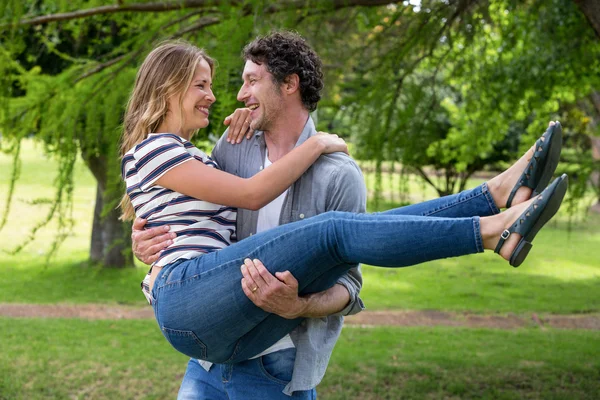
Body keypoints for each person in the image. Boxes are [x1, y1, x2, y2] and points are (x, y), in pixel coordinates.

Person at [123, 37, 567, 398]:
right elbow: (246, 196)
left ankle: (495, 197)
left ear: (289, 84)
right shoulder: (204, 150)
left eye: (250, 82)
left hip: (257, 342)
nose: (223, 96)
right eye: (203, 85)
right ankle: (492, 227)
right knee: (333, 228)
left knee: (343, 238)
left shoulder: (332, 173)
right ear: (168, 88)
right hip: (198, 327)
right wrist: (143, 247)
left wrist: (299, 305)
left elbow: (349, 283)